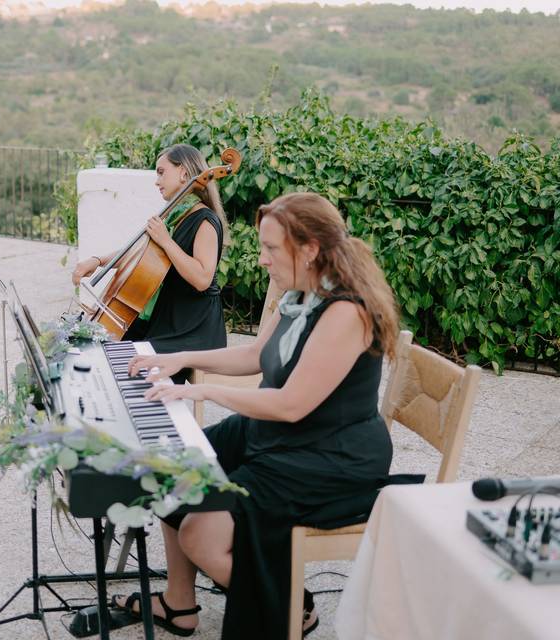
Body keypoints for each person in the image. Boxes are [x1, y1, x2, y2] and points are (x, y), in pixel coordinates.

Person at [112, 192, 400, 639]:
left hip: (328, 456)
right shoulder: (302, 292)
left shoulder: (346, 311)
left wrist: (199, 387)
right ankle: (179, 604)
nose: (262, 260)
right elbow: (257, 355)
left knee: (200, 535)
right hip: (285, 435)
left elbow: (290, 404)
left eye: (270, 249)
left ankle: (290, 609)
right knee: (176, 466)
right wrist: (178, 358)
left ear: (310, 249)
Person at [71, 144, 228, 380]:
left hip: (192, 328)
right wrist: (97, 261)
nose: (157, 181)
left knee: (129, 361)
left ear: (184, 173)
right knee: (100, 342)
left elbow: (203, 279)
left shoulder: (205, 219)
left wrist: (166, 241)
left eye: (161, 172)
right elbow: (139, 253)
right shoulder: (175, 214)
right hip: (167, 318)